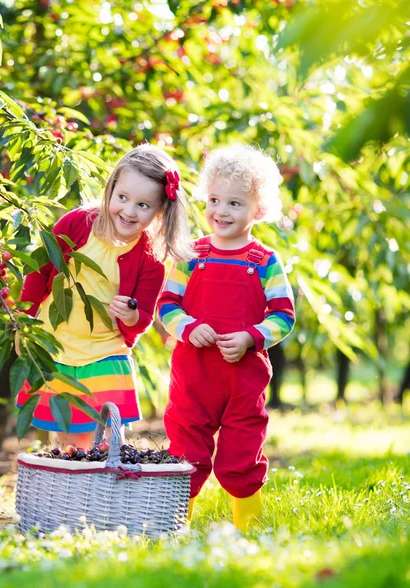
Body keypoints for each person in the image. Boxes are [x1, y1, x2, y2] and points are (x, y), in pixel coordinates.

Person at [17, 145, 193, 450]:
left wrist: (130, 315)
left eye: (143, 205)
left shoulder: (151, 256)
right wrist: (24, 321)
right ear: (110, 189)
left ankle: (108, 493)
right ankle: (76, 494)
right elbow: (40, 273)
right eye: (122, 198)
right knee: (74, 441)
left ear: (160, 210)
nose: (128, 211)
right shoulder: (77, 224)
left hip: (105, 350)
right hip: (56, 345)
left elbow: (143, 319)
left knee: (110, 439)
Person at [157, 144, 295, 531]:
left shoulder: (264, 261)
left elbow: (284, 316)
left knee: (242, 452)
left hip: (242, 379)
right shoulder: (191, 254)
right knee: (186, 449)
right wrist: (188, 326)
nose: (221, 211)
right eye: (215, 200)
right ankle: (175, 523)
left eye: (235, 203)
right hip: (194, 377)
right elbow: (167, 305)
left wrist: (253, 337)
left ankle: (248, 527)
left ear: (259, 210)